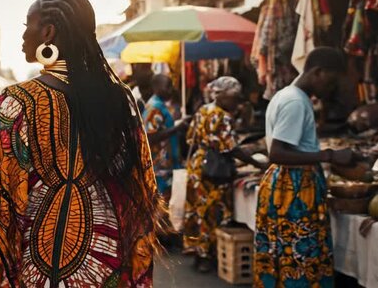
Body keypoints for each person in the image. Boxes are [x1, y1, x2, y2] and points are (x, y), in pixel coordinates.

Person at [0, 0, 165, 287]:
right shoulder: (119, 100)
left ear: (48, 32)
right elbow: (141, 188)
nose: (23, 36)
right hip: (105, 269)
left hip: (46, 270)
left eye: (27, 26)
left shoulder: (15, 103)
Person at [254, 47, 354, 287]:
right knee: (299, 260)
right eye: (331, 82)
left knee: (284, 256)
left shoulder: (286, 95)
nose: (332, 90)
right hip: (295, 191)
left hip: (289, 186)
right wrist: (330, 155)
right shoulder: (295, 102)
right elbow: (277, 153)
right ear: (318, 72)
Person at [184, 76, 267, 273]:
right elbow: (232, 149)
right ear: (221, 95)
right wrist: (258, 163)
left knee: (198, 210)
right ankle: (206, 256)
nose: (237, 102)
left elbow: (190, 138)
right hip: (214, 169)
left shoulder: (203, 110)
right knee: (211, 212)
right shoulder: (222, 116)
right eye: (234, 98)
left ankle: (198, 251)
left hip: (198, 164)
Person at [142, 74, 189, 196]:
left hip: (167, 166)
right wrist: (176, 128)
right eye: (167, 86)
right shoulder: (154, 108)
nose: (170, 90)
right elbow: (150, 137)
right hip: (160, 168)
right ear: (156, 88)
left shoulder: (160, 105)